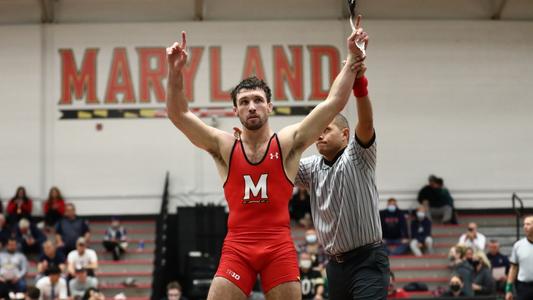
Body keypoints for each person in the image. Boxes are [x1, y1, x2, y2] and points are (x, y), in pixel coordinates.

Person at [165, 18, 366, 300]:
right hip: (238, 247)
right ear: (235, 111)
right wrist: (175, 73)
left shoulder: (286, 143)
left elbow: (333, 103)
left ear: (270, 106)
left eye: (258, 100)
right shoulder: (224, 146)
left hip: (278, 246)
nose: (252, 106)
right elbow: (179, 115)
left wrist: (351, 59)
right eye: (244, 101)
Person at [295, 17, 389, 299]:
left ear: (345, 134)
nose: (319, 136)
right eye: (317, 132)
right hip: (334, 266)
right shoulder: (311, 168)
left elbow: (367, 123)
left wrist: (359, 85)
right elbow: (280, 161)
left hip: (368, 260)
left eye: (327, 129)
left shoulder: (358, 156)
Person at [505, 215, 533, 300]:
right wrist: (508, 289)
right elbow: (513, 268)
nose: (525, 227)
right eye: (524, 224)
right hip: (524, 287)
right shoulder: (518, 245)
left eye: (528, 224)